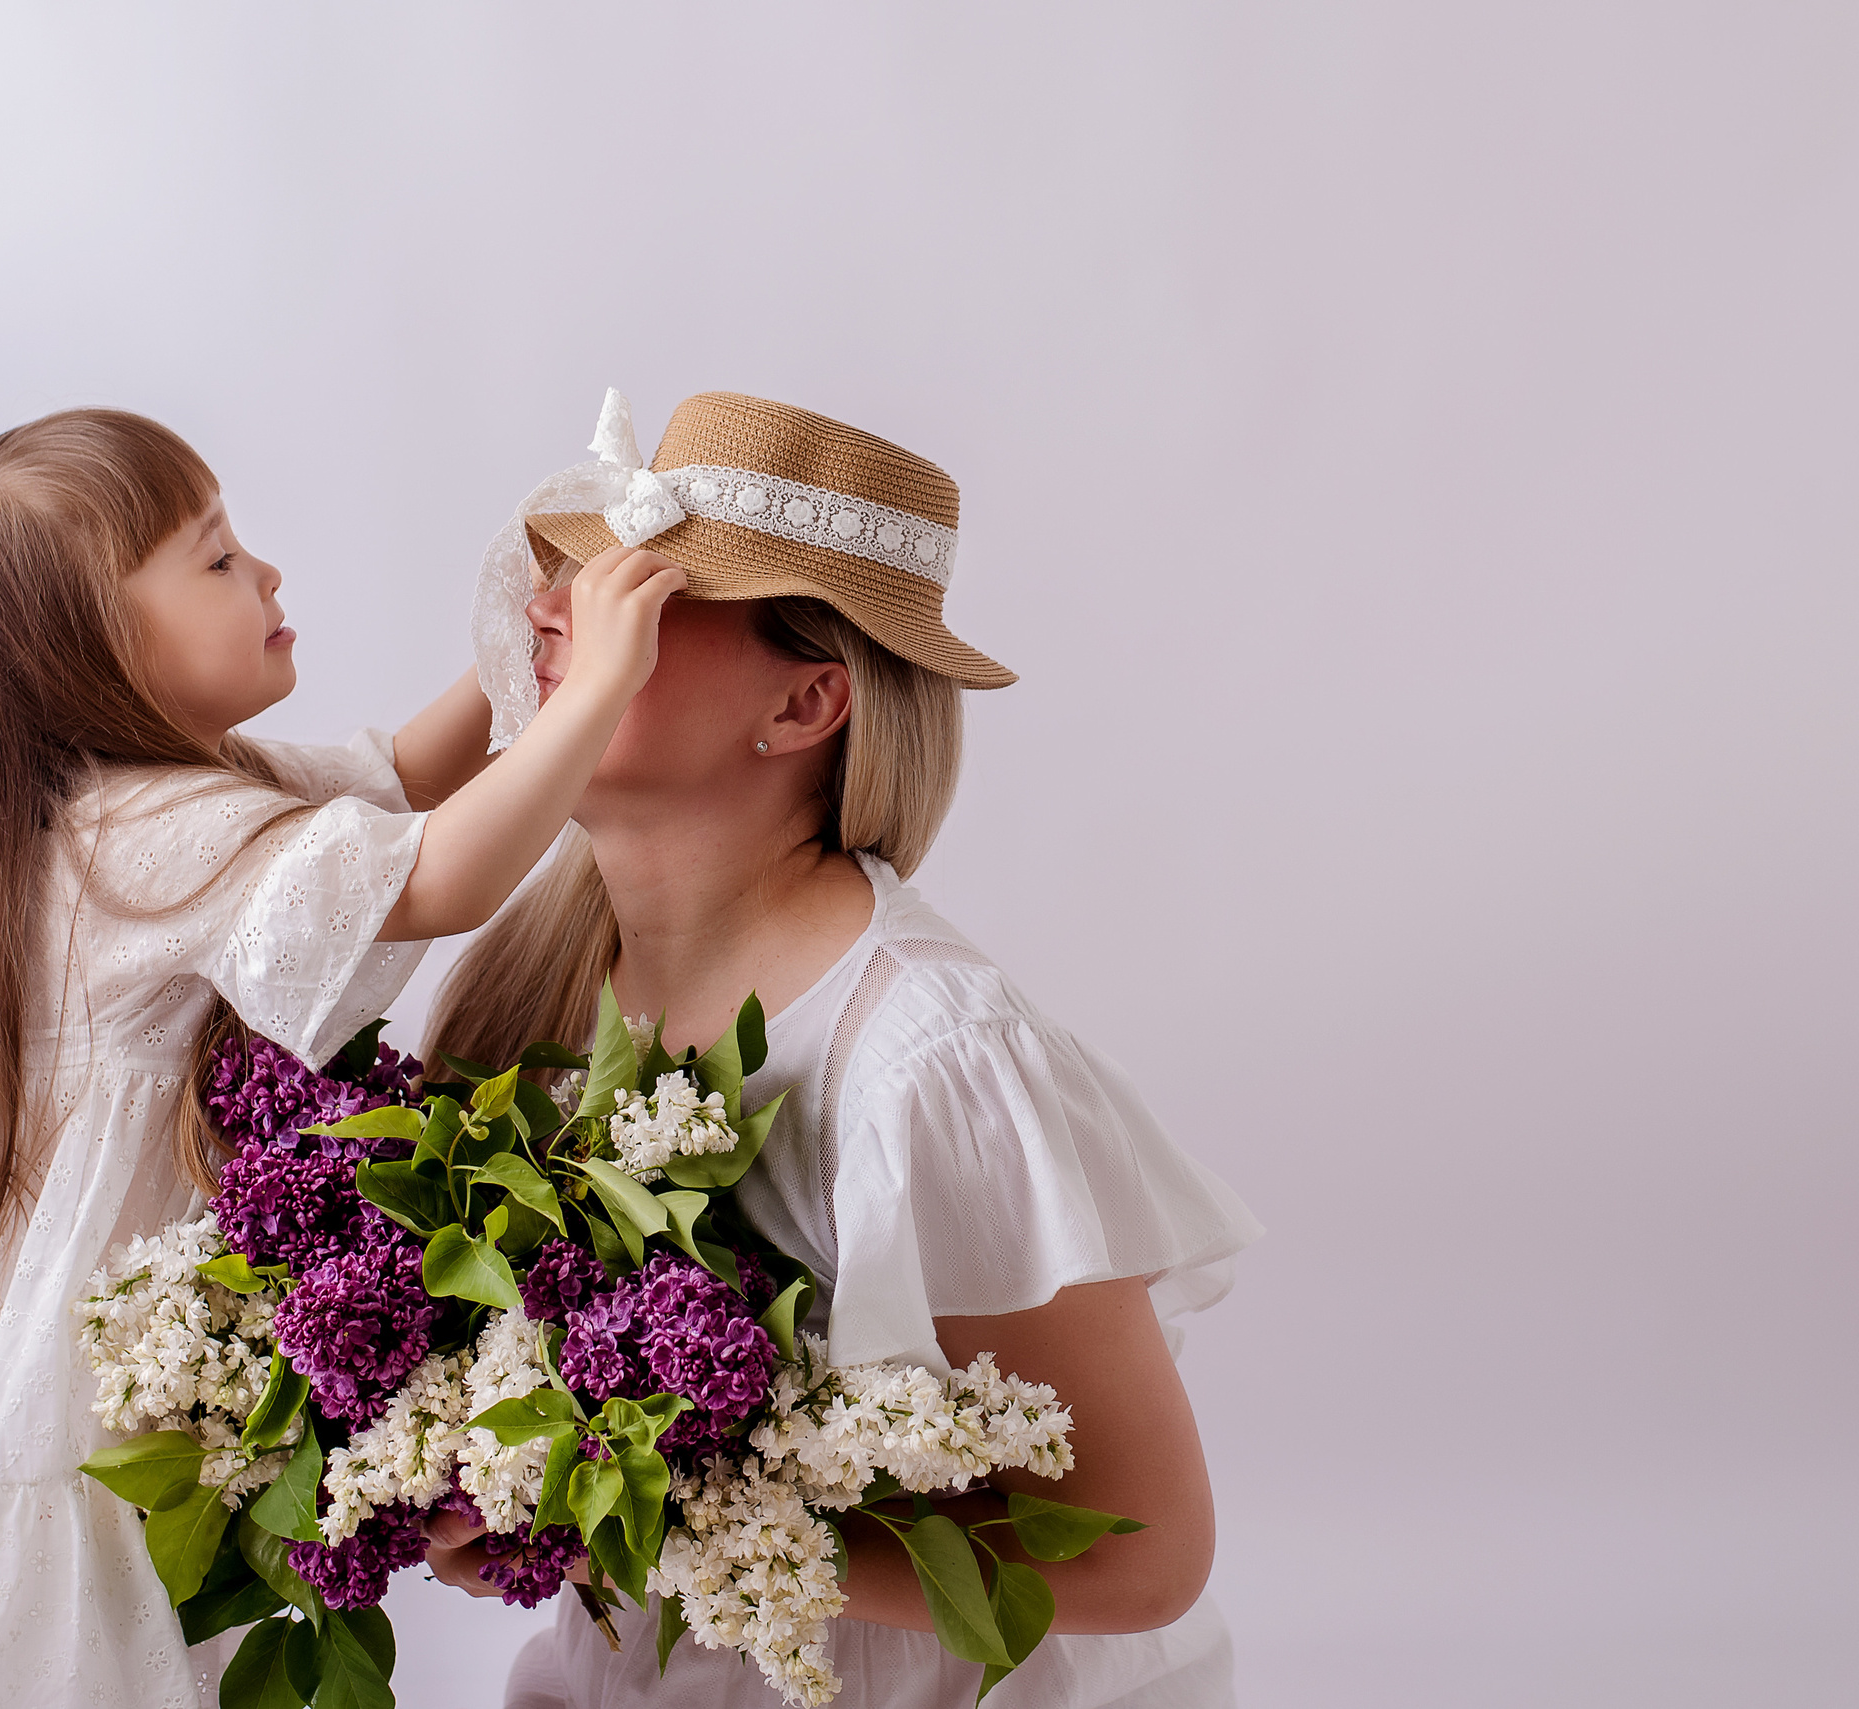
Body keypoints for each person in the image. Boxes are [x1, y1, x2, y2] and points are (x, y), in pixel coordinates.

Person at [0, 407, 685, 1707]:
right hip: (93, 1348)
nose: (263, 572)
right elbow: (440, 874)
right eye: (214, 559)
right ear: (89, 648)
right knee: (87, 1642)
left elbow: (403, 778)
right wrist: (600, 687)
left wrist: (532, 632)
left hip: (97, 1303)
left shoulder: (168, 784)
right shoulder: (141, 834)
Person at [422, 392, 1262, 1708]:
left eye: (645, 590)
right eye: (577, 577)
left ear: (808, 701)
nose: (553, 612)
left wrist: (655, 1521)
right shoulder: (531, 988)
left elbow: (1143, 1555)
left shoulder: (933, 1064)